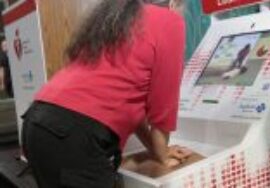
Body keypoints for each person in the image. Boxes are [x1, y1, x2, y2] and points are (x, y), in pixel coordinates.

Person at [21, 0, 188, 187]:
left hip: (37, 122)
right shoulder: (170, 20)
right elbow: (163, 107)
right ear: (174, 4)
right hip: (72, 133)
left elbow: (133, 113)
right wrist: (163, 157)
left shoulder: (121, 16)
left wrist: (159, 151)